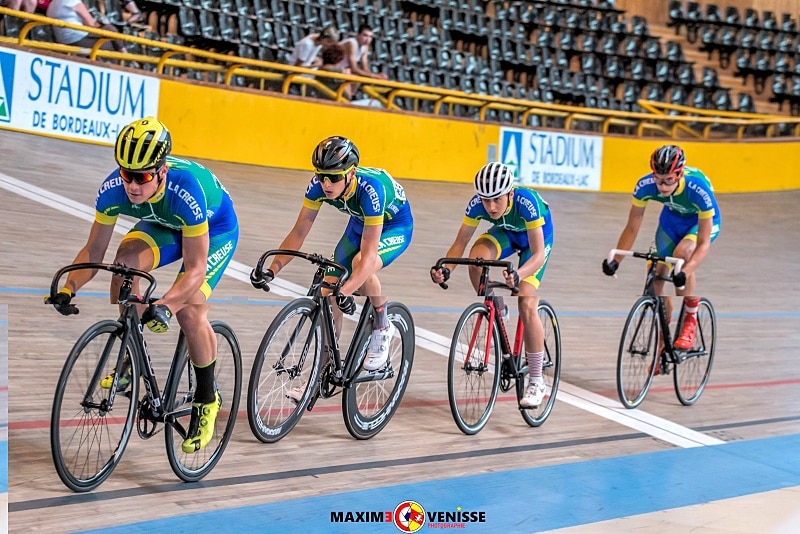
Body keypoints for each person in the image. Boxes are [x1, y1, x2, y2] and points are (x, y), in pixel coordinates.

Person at [45, 117, 239, 454]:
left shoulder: (186, 191)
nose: (132, 186)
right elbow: (93, 252)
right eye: (127, 174)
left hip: (214, 228)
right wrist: (69, 287)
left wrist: (166, 305)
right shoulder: (113, 189)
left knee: (189, 311)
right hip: (165, 219)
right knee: (123, 266)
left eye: (142, 177)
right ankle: (129, 357)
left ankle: (207, 398)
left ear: (162, 171)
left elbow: (195, 269)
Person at [250, 136, 413, 380]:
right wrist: (272, 270)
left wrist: (346, 291)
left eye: (334, 178)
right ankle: (321, 376)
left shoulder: (371, 191)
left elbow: (369, 258)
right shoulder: (318, 187)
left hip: (394, 225)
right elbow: (298, 233)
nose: (326, 183)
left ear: (351, 173)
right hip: (360, 222)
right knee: (328, 291)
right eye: (321, 176)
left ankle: (382, 325)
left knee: (359, 264)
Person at [430, 162, 554, 409]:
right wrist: (446, 269)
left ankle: (537, 380)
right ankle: (498, 308)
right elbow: (460, 243)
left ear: (510, 193)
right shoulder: (477, 205)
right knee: (476, 260)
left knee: (526, 301)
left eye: (497, 199)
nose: (491, 207)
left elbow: (538, 254)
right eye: (486, 200)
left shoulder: (527, 203)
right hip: (506, 233)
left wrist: (519, 274)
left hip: (535, 241)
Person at [602, 144, 721, 352]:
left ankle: (690, 319)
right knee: (656, 275)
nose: (663, 187)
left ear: (679, 174)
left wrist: (685, 272)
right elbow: (632, 227)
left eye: (669, 180)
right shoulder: (645, 185)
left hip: (699, 223)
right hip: (672, 221)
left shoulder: (698, 189)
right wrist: (616, 261)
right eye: (658, 179)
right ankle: (663, 337)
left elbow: (703, 244)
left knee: (682, 254)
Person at [46, 0, 134, 53]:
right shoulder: (73, 2)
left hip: (61, 39)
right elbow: (91, 24)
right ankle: (125, 57)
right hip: (77, 39)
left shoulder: (53, 4)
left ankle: (125, 56)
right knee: (110, 31)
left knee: (109, 31)